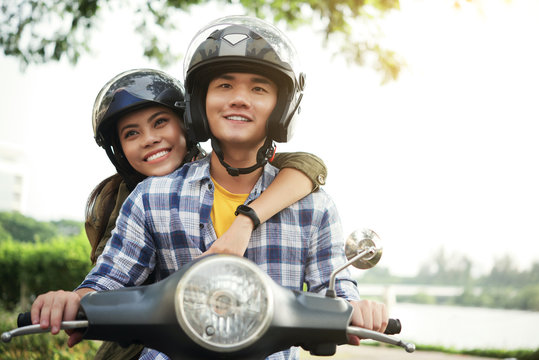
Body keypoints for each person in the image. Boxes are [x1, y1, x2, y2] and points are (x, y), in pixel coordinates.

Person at [30, 68, 328, 359]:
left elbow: (308, 166)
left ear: (188, 124)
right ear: (118, 149)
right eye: (132, 133)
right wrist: (74, 299)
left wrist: (245, 221)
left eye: (160, 122)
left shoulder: (241, 170)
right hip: (142, 343)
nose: (149, 138)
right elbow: (110, 277)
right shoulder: (134, 200)